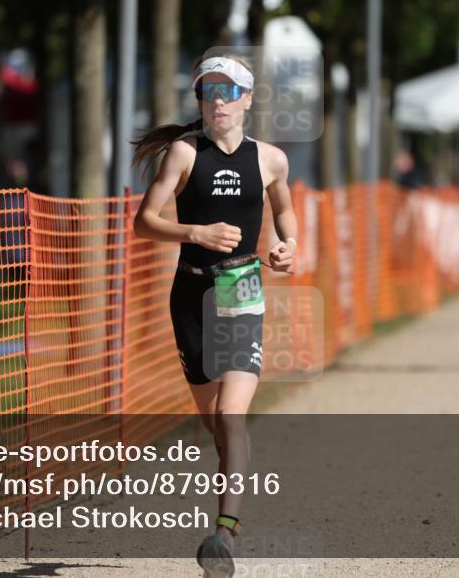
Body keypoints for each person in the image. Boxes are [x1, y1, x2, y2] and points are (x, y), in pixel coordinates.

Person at [132, 55, 298, 578]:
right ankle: (232, 477)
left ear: (248, 98)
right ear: (201, 100)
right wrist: (195, 234)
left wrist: (287, 246)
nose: (219, 100)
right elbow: (145, 222)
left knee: (231, 415)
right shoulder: (184, 153)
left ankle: (224, 534)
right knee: (215, 427)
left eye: (229, 91)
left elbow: (285, 211)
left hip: (241, 287)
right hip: (190, 296)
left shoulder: (270, 159)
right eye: (209, 91)